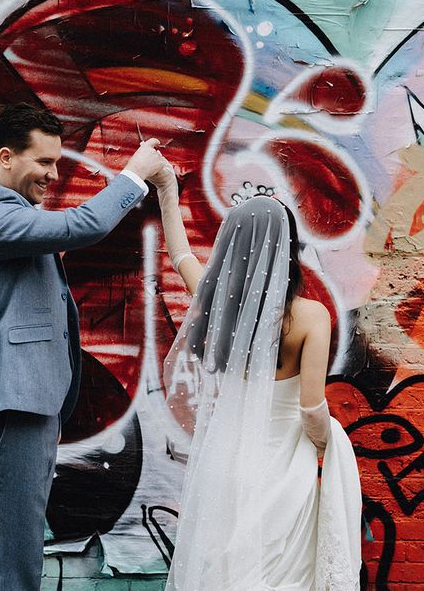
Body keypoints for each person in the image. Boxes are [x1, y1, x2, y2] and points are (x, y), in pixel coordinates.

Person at [0, 103, 165, 591]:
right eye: (43, 162)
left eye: (57, 162)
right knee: (15, 566)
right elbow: (78, 227)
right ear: (5, 157)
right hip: (4, 408)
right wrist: (133, 176)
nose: (53, 174)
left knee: (6, 560)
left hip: (21, 405)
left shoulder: (13, 215)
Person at [153, 166, 362, 590]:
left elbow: (180, 256)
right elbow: (310, 409)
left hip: (225, 464)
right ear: (288, 249)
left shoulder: (218, 307)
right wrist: (331, 443)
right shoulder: (311, 316)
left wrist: (165, 191)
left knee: (227, 574)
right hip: (284, 472)